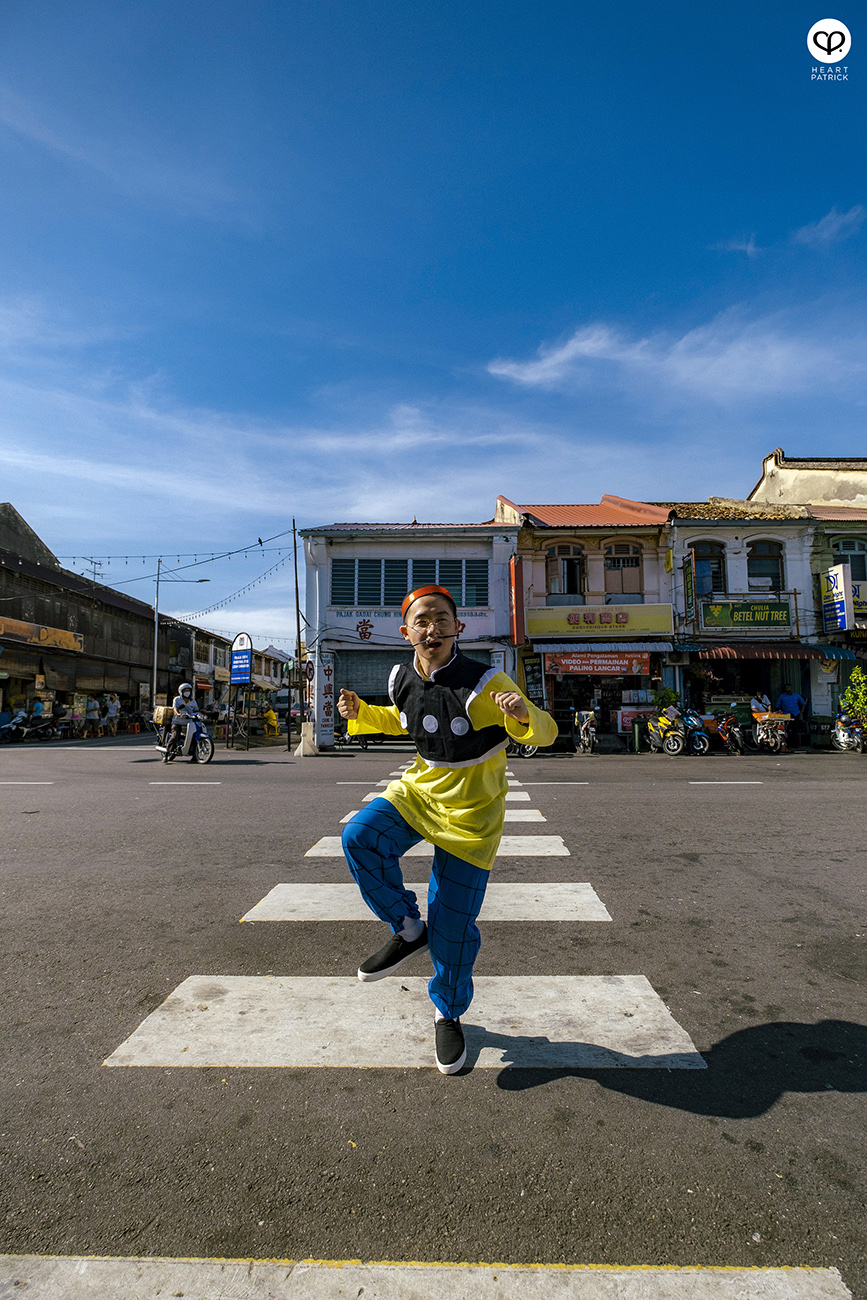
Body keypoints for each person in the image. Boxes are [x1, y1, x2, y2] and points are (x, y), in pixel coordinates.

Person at [338, 583, 558, 1075]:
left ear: (458, 628)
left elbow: (547, 731)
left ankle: (448, 1011)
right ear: (406, 632)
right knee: (360, 837)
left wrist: (523, 718)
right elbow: (402, 721)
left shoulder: (484, 683)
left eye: (441, 619)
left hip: (472, 816)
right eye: (422, 621)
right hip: (418, 793)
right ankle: (407, 927)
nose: (432, 628)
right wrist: (360, 715)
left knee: (453, 928)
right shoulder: (402, 678)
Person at [169, 683, 199, 758]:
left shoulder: (193, 701)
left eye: (188, 690)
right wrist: (178, 713)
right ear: (181, 691)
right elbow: (175, 708)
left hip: (189, 723)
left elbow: (196, 711)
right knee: (175, 736)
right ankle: (167, 753)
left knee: (195, 737)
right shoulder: (177, 699)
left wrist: (200, 714)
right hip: (177, 722)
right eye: (185, 690)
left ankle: (195, 756)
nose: (187, 692)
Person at [776, 682, 806, 749]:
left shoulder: (796, 696)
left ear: (791, 688)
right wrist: (780, 711)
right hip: (786, 715)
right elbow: (778, 705)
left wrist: (801, 711)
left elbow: (803, 703)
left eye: (788, 688)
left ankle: (794, 744)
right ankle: (787, 744)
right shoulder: (782, 696)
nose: (787, 689)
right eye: (786, 688)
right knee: (786, 730)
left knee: (795, 730)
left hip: (795, 714)